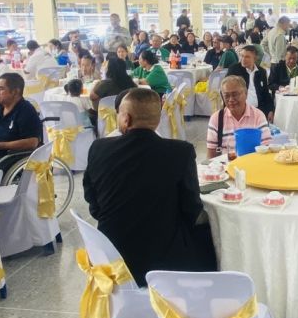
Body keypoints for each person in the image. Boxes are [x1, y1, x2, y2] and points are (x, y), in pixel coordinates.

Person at [84, 89, 210, 284]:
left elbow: (92, 201)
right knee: (206, 235)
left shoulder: (98, 148)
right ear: (157, 120)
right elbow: (191, 208)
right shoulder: (180, 152)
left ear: (126, 119)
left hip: (111, 257)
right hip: (164, 260)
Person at [0, 72, 43, 169]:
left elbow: (32, 142)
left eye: (1, 89)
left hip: (6, 159)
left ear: (15, 92)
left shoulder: (26, 111)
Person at [206, 76, 271, 158]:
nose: (231, 99)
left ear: (246, 94)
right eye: (226, 96)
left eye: (235, 94)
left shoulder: (258, 116)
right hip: (226, 164)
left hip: (252, 162)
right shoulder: (216, 119)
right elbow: (211, 155)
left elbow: (266, 148)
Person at [225, 45, 274, 119]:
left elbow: (266, 94)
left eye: (247, 57)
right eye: (242, 56)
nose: (243, 59)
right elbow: (226, 91)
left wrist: (270, 110)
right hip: (240, 111)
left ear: (255, 58)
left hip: (259, 111)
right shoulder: (234, 70)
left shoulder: (261, 72)